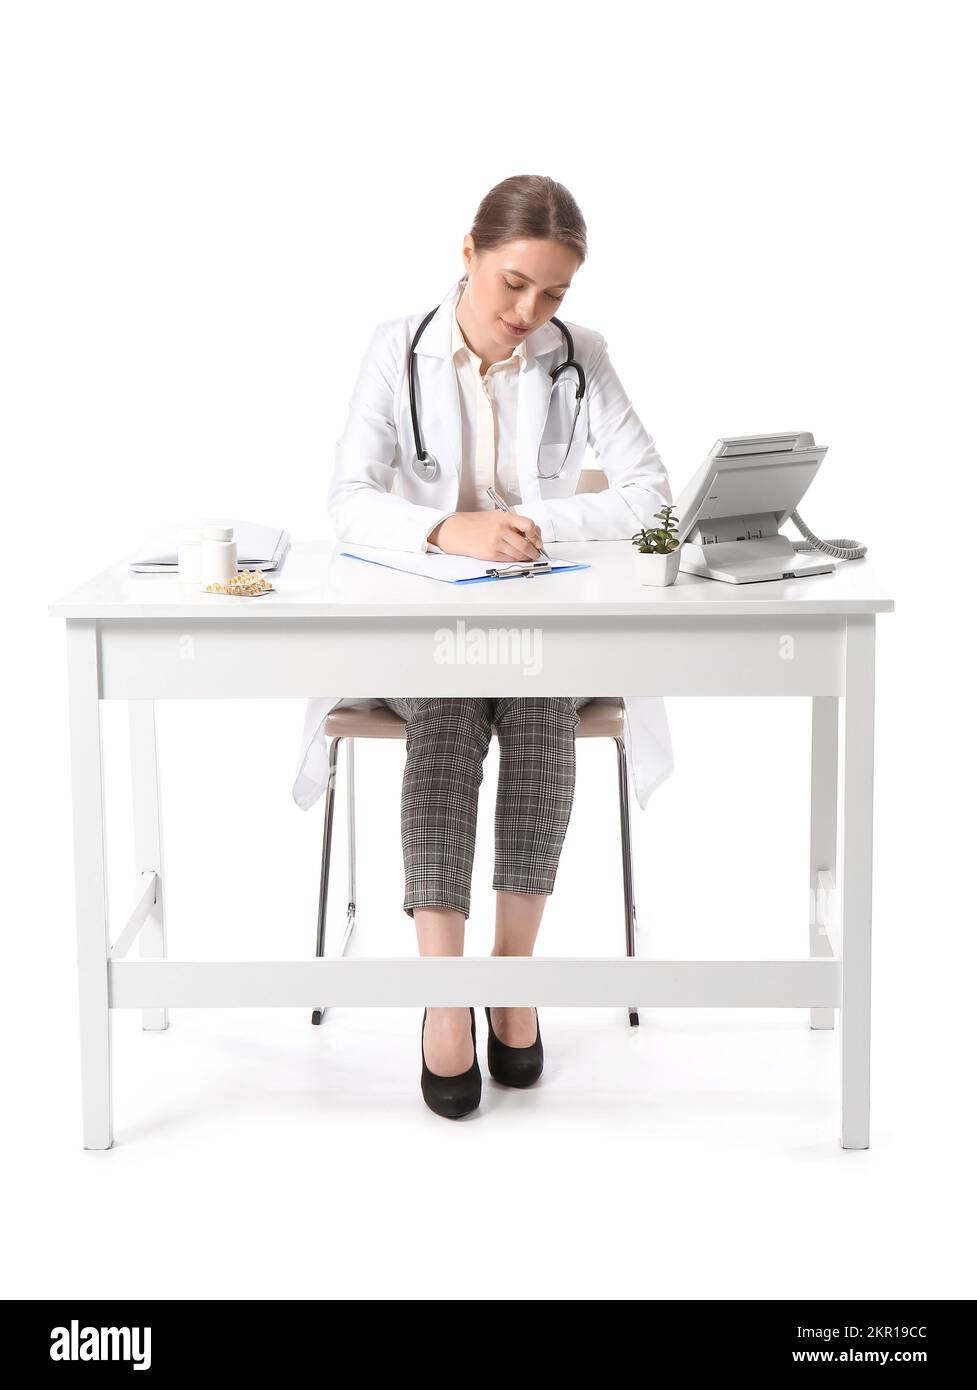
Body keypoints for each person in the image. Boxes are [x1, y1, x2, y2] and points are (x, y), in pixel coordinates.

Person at [325, 174, 674, 1119]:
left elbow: (652, 497)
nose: (531, 311)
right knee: (446, 706)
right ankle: (443, 994)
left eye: (554, 293)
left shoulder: (580, 356)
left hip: (540, 624)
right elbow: (348, 502)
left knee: (535, 703)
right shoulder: (393, 349)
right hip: (421, 623)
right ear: (469, 252)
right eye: (514, 282)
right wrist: (444, 533)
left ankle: (511, 975)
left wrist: (530, 522)